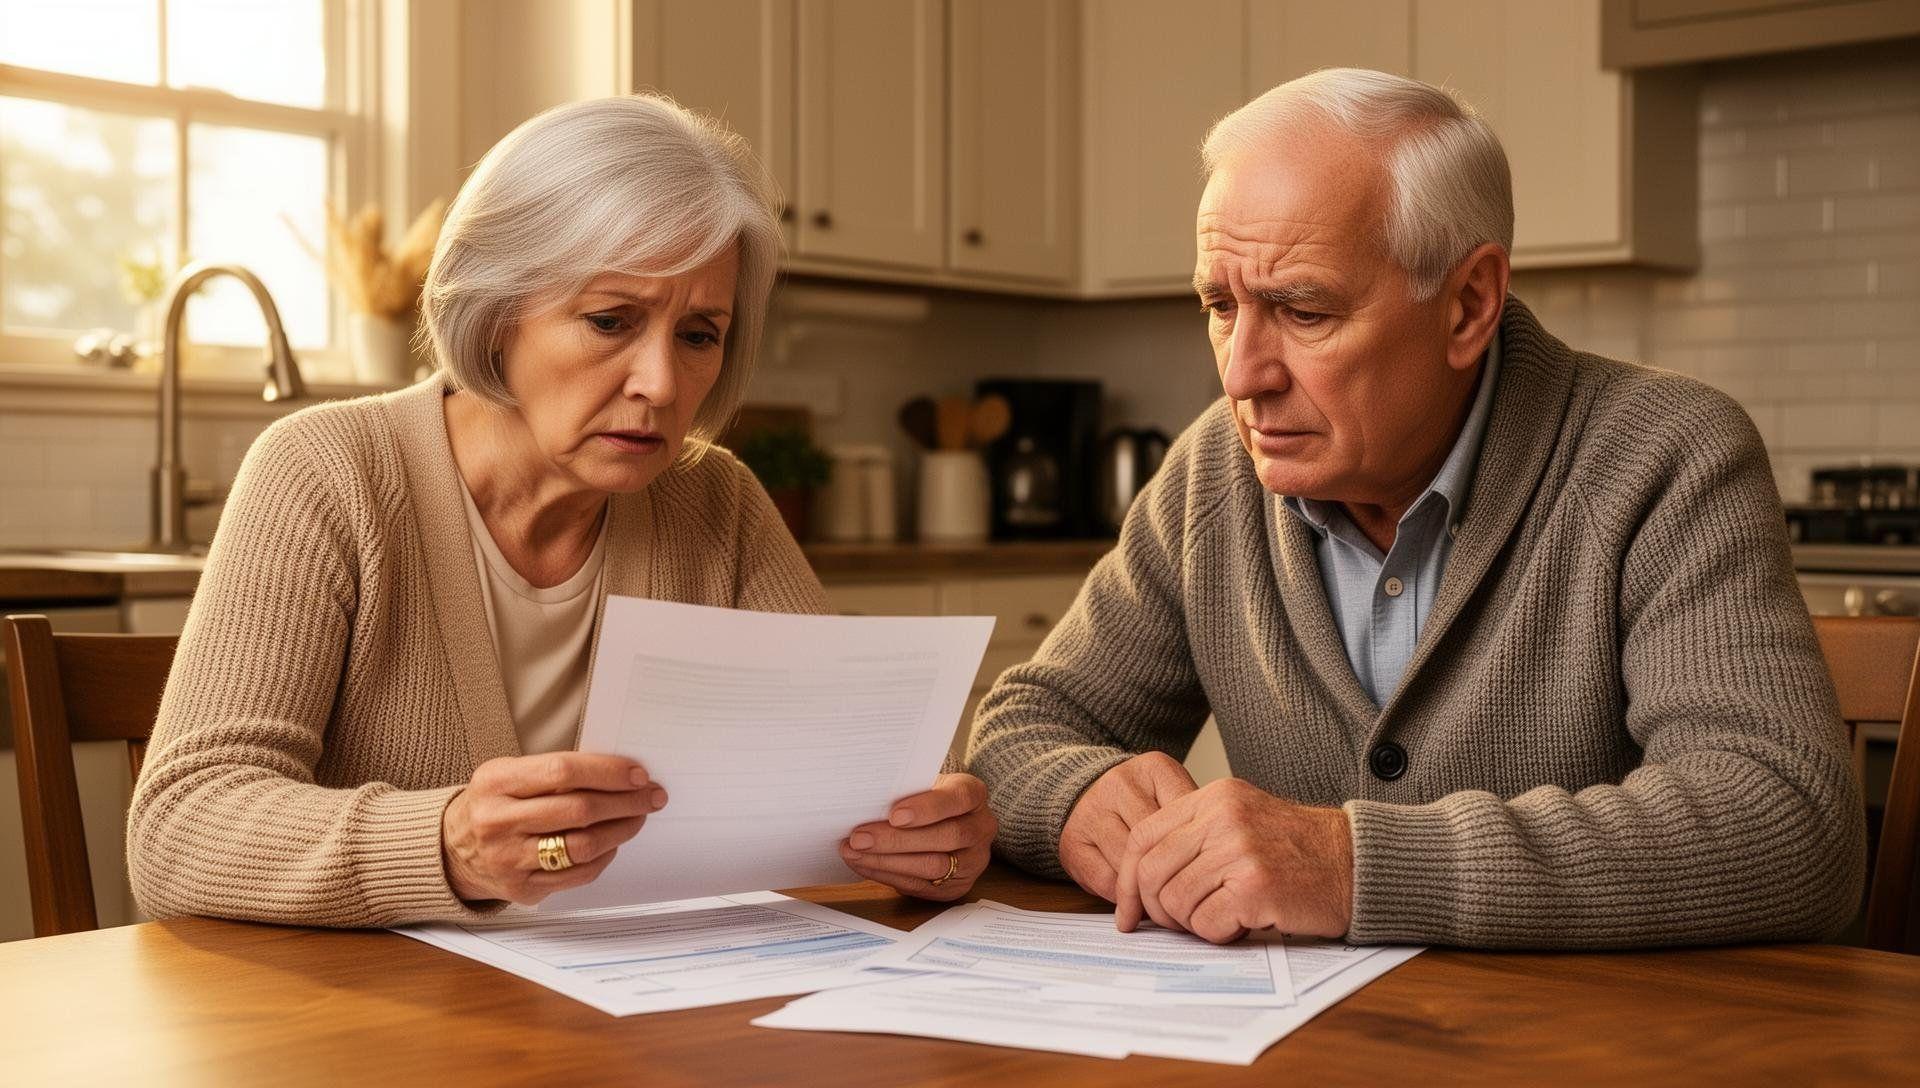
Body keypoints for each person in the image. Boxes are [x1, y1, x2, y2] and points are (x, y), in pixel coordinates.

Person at [967, 68, 1865, 948]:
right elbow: (1018, 733)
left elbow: (1787, 823)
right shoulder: (1216, 470)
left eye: (1302, 309)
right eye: (1220, 304)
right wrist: (1079, 794)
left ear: (1469, 303)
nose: (1242, 375)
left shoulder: (1665, 455)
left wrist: (1352, 863)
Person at [127, 95, 994, 926]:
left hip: (637, 1023)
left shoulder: (717, 500)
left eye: (699, 335)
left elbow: (857, 779)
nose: (660, 384)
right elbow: (179, 830)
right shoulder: (328, 473)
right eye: (612, 320)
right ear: (497, 311)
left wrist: (934, 839)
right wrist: (448, 844)